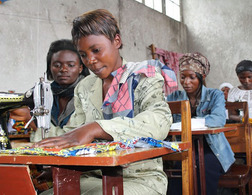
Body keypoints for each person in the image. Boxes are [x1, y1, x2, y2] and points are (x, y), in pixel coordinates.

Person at [33, 9, 177, 195]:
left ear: (116, 41)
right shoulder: (85, 87)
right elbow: (74, 132)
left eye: (96, 50)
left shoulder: (143, 76)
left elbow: (159, 121)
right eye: (83, 55)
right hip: (91, 176)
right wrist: (43, 140)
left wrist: (96, 127)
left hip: (139, 179)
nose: (90, 61)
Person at [167, 52, 235, 195]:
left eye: (192, 77)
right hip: (186, 147)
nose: (186, 82)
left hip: (212, 148)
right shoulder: (174, 97)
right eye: (183, 77)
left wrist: (185, 124)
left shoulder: (215, 95)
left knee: (203, 169)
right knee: (178, 176)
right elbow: (163, 118)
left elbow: (218, 119)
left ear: (202, 77)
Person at [10, 39, 90, 142]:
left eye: (70, 65)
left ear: (80, 68)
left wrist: (33, 123)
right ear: (50, 68)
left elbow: (72, 138)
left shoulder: (89, 95)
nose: (63, 69)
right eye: (57, 65)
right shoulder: (43, 93)